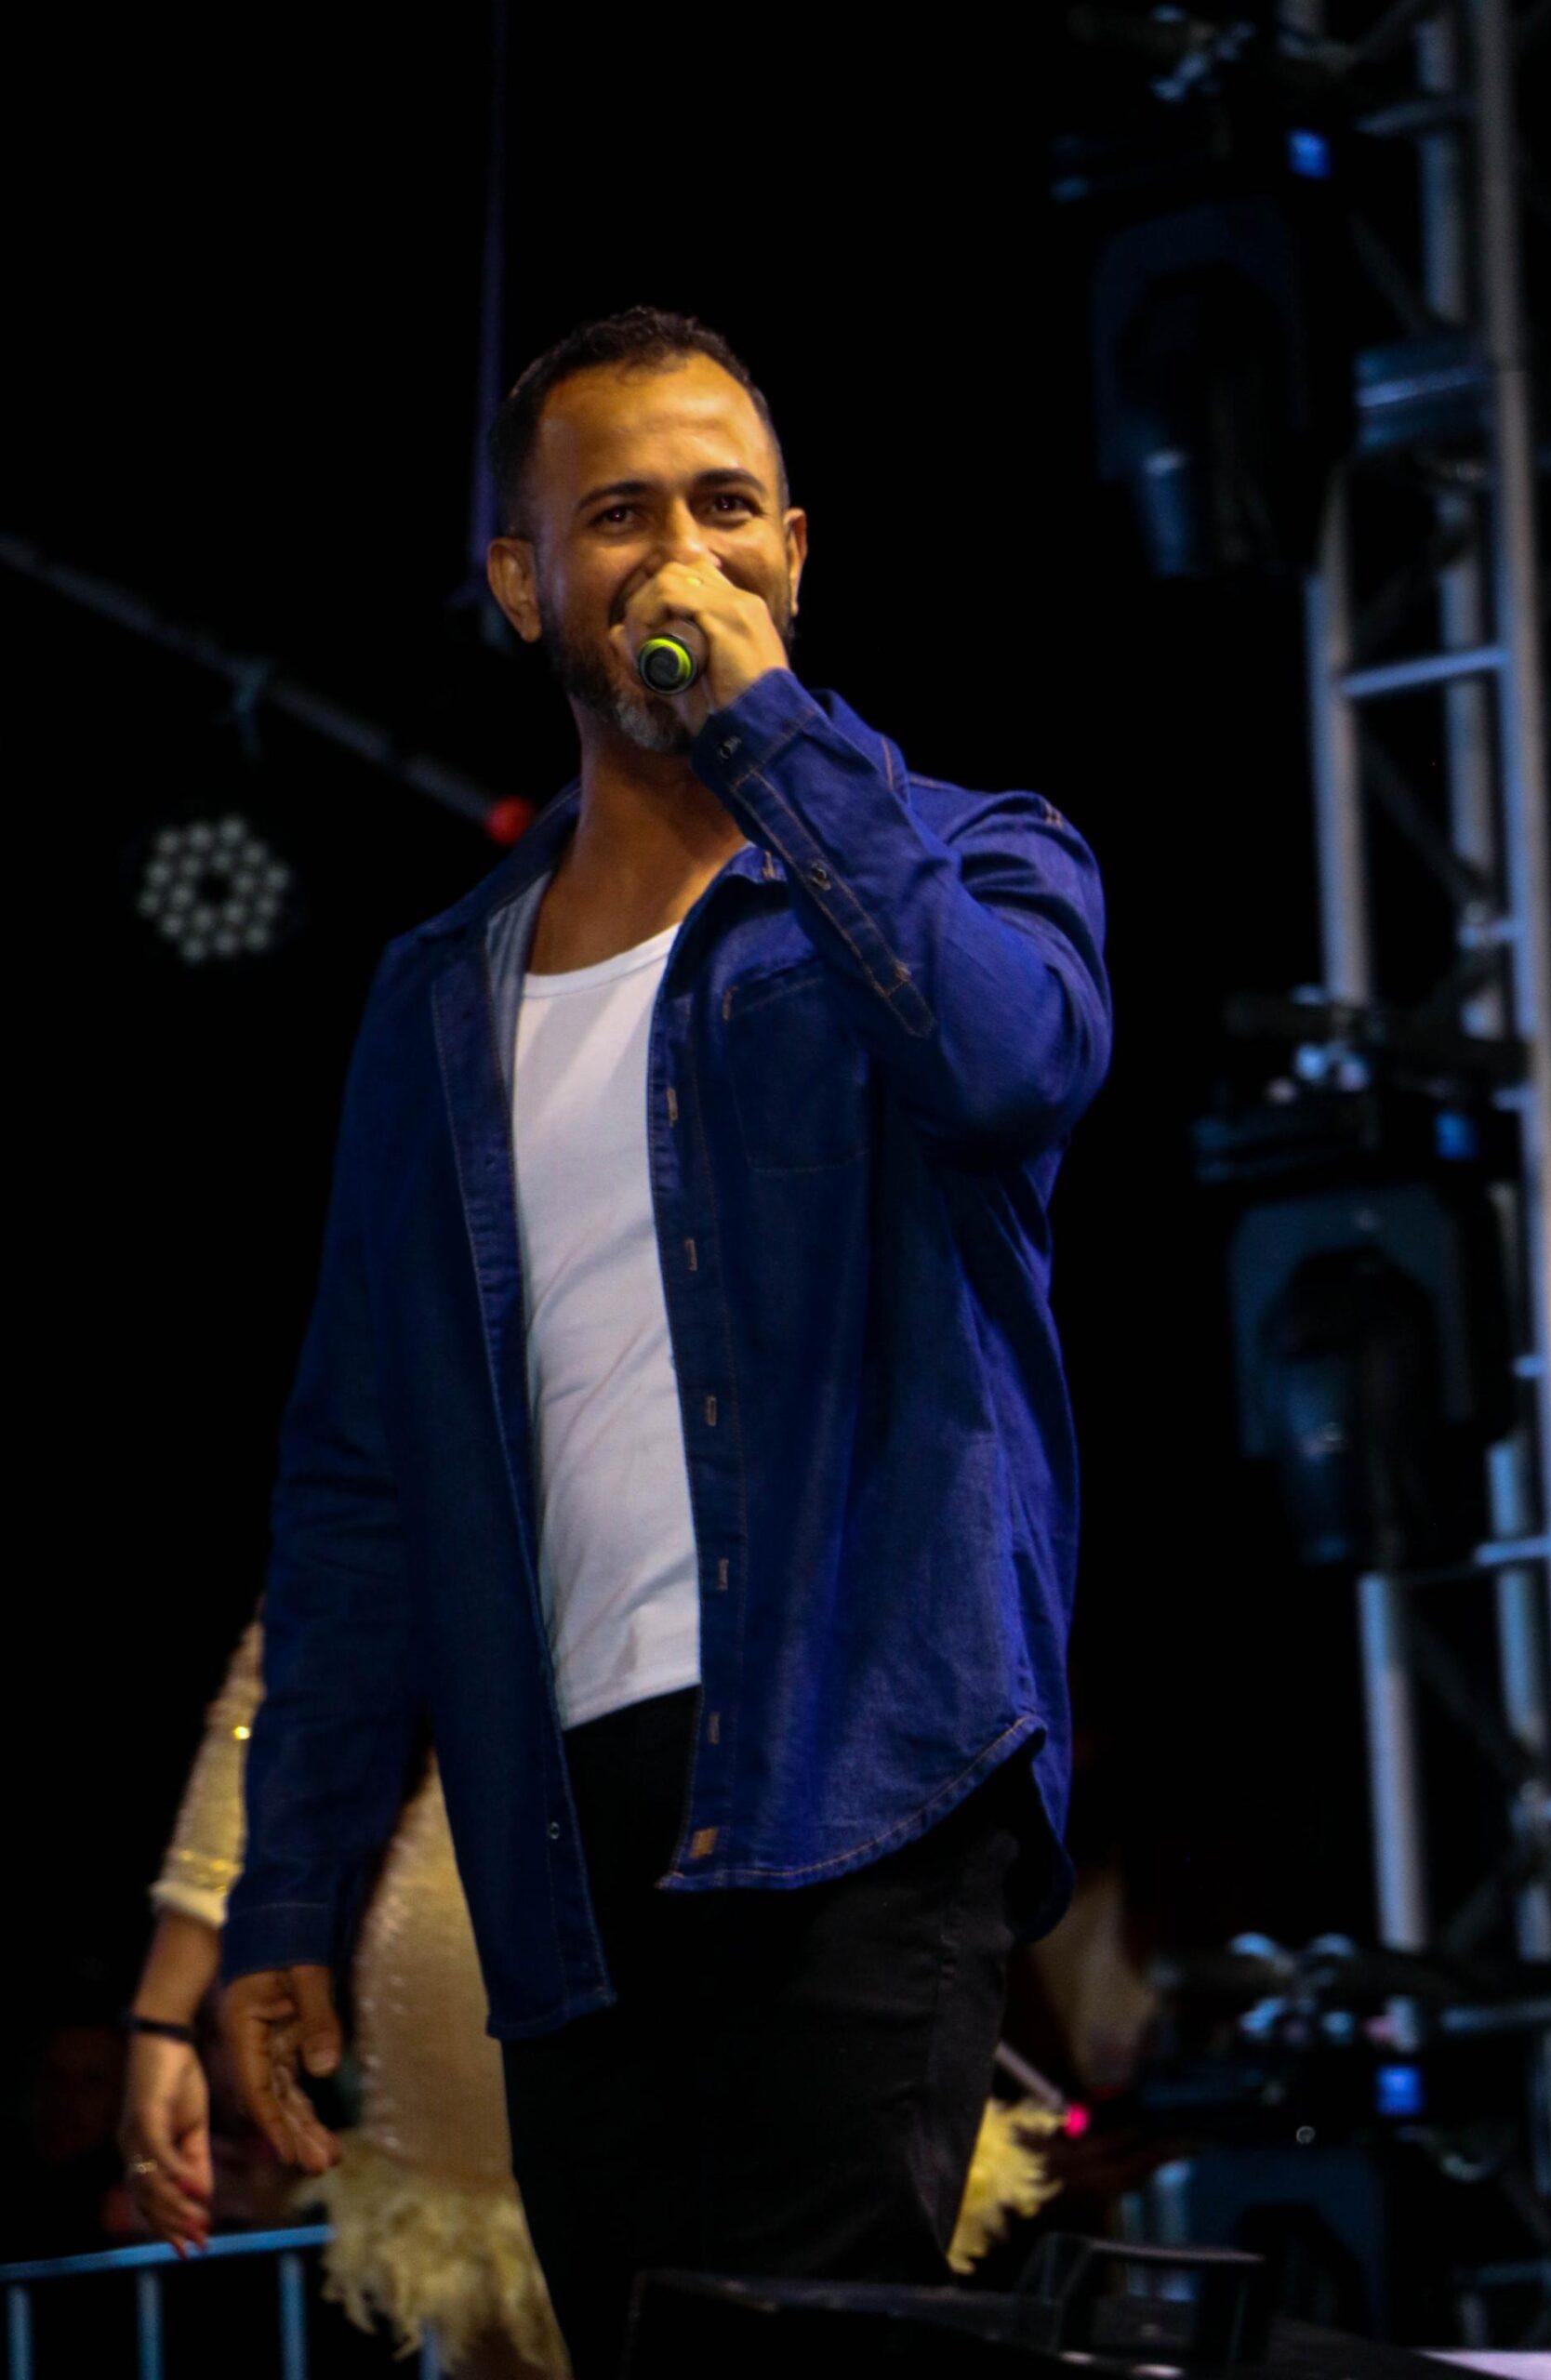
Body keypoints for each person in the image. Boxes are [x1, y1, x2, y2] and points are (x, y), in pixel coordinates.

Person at [219, 304, 1112, 2377]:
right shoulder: (436, 1000)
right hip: (560, 1827)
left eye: (725, 508)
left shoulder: (973, 857)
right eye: (619, 516)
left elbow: (1002, 1066)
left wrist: (773, 733)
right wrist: (290, 1890)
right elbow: (356, 1480)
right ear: (522, 579)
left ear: (794, 553)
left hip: (862, 1757)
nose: (680, 554)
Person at [117, 1614, 1059, 2375]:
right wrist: (162, 2018)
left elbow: (294, 1664)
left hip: (626, 1883)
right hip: (736, 1855)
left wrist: (164, 2018)